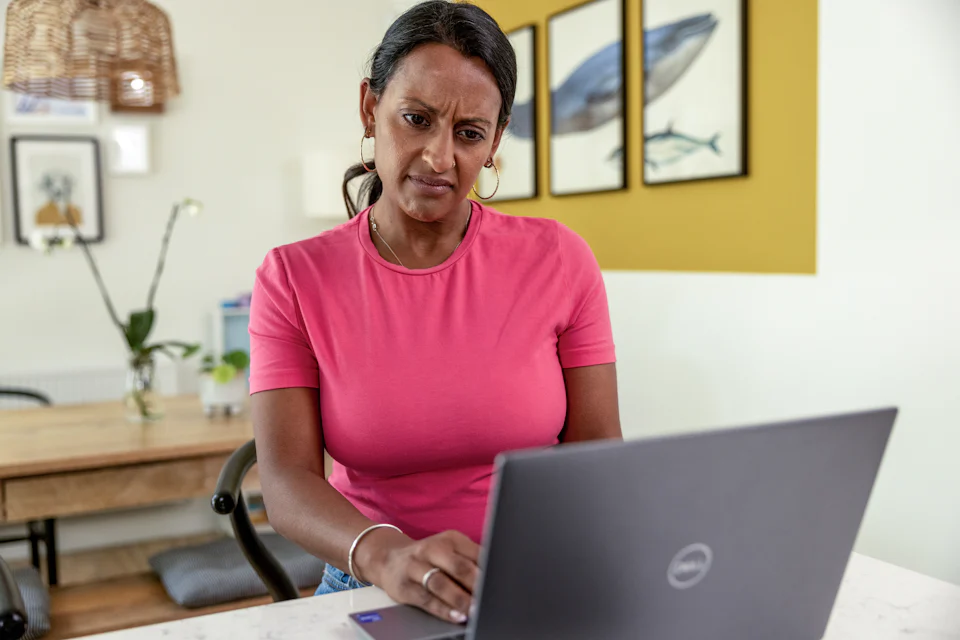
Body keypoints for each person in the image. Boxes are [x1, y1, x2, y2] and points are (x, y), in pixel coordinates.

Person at [248, 0, 621, 626]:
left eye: (470, 133)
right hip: (370, 579)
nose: (438, 158)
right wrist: (386, 556)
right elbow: (286, 484)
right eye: (415, 120)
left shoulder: (559, 258)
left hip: (528, 573)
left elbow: (597, 450)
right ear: (371, 108)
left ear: (496, 141)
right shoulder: (292, 277)